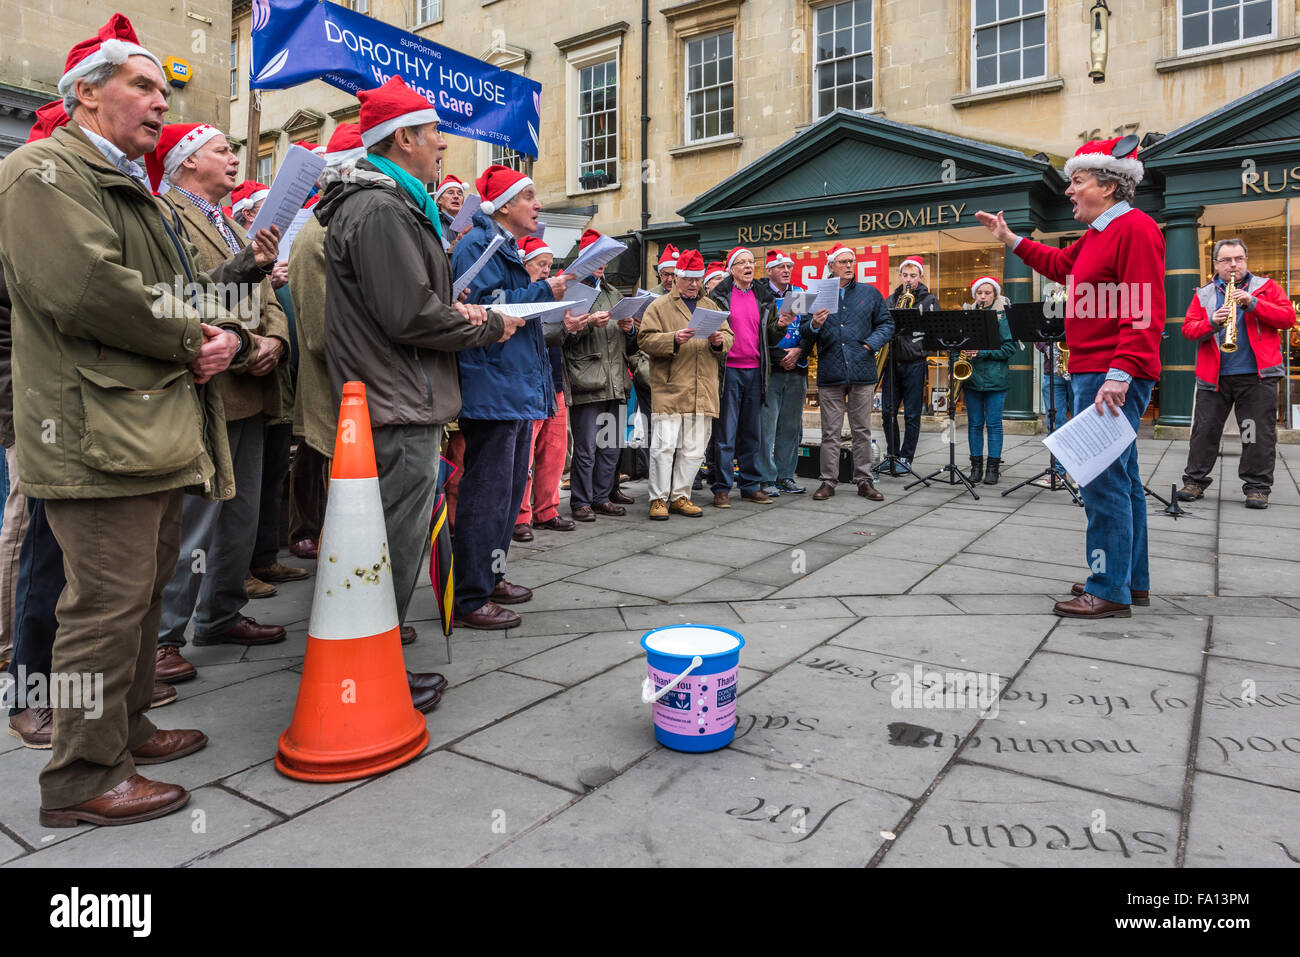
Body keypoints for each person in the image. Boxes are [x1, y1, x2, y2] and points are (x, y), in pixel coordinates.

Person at [0, 13, 249, 825]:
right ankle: (79, 777)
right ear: (83, 94)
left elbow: (166, 289)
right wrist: (194, 337)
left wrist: (224, 332)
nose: (159, 99)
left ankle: (127, 727)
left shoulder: (125, 183)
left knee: (138, 598)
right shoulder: (40, 170)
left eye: (162, 86)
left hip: (143, 425)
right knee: (99, 609)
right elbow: (87, 289)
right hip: (92, 431)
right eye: (140, 84)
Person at [317, 79, 522, 660]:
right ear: (404, 137)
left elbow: (404, 304)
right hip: (394, 399)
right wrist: (484, 326)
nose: (441, 146)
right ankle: (371, 673)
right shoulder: (383, 207)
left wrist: (449, 312)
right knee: (391, 546)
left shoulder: (392, 203)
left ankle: (371, 660)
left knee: (387, 542)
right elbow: (408, 314)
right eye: (434, 134)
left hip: (396, 395)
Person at [978, 135, 1165, 619]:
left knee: (1100, 481)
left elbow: (1144, 310)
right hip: (1096, 370)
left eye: (1077, 181)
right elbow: (1060, 265)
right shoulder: (1100, 233)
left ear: (1108, 184)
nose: (1068, 191)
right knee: (1122, 481)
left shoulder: (1135, 230)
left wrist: (1120, 373)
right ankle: (1128, 581)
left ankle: (1107, 589)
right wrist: (1011, 239)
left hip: (1108, 372)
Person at [151, 123, 292, 683]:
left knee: (242, 512)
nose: (234, 158)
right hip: (210, 386)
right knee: (194, 520)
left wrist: (275, 339)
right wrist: (247, 343)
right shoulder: (167, 214)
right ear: (187, 162)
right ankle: (163, 637)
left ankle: (221, 613)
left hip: (252, 387)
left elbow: (266, 293)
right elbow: (186, 296)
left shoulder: (233, 224)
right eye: (222, 151)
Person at [451, 163, 569, 629]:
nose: (538, 205)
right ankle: (470, 596)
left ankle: (492, 577)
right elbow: (478, 309)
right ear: (504, 206)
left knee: (506, 491)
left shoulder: (501, 246)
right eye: (529, 197)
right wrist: (543, 289)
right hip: (493, 387)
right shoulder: (477, 246)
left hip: (511, 386)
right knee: (488, 493)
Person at [1177, 238, 1296, 510]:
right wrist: (1211, 322)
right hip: (1214, 376)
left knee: (1255, 433)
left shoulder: (1265, 288)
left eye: (1239, 259)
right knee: (1204, 431)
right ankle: (1194, 481)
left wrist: (1253, 303)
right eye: (1227, 260)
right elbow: (1188, 330)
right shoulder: (1204, 294)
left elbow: (1287, 319)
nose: (1234, 265)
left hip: (1257, 376)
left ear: (1245, 260)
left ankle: (1256, 488)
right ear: (1216, 264)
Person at [638, 250, 733, 520]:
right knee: (663, 447)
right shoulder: (659, 306)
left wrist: (719, 342)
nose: (693, 284)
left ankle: (681, 495)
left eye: (697, 279)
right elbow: (644, 340)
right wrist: (673, 339)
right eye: (688, 278)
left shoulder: (710, 306)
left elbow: (728, 335)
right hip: (670, 386)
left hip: (703, 387)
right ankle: (658, 498)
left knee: (694, 448)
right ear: (677, 277)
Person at [802, 243, 891, 502]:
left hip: (862, 369)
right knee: (830, 431)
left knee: (861, 429)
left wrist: (870, 344)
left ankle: (864, 480)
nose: (849, 265)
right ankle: (828, 481)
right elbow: (806, 334)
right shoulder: (817, 294)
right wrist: (815, 324)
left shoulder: (869, 293)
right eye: (843, 262)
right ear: (831, 266)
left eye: (852, 261)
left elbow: (886, 324)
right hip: (831, 370)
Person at [565, 228, 639, 521]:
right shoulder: (572, 292)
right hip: (587, 378)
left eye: (605, 258)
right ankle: (581, 501)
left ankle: (601, 496)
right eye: (596, 258)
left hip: (615, 380)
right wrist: (586, 325)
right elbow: (561, 336)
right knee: (586, 449)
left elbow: (631, 343)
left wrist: (629, 328)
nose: (601, 264)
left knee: (610, 446)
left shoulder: (613, 293)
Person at [707, 246, 787, 507]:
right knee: (725, 433)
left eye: (751, 261)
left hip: (755, 370)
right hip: (728, 370)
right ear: (731, 269)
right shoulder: (719, 296)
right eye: (741, 262)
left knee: (752, 431)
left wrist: (781, 326)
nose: (748, 266)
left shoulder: (763, 296)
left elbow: (771, 336)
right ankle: (721, 487)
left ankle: (751, 485)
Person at [513, 236, 580, 540]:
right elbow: (533, 333)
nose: (546, 271)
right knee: (524, 458)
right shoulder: (519, 296)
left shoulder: (553, 295)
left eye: (550, 266)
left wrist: (574, 325)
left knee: (554, 454)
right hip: (529, 387)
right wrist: (564, 327)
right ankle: (519, 517)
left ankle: (547, 510)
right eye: (540, 264)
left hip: (554, 383)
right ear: (524, 265)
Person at [759, 250, 810, 496]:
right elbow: (758, 334)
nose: (786, 270)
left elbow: (807, 329)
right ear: (769, 270)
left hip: (797, 368)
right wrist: (782, 356)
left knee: (790, 427)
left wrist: (800, 349)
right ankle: (765, 478)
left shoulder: (798, 294)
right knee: (767, 429)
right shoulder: (761, 295)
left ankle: (785, 475)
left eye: (789, 266)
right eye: (780, 266)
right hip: (771, 369)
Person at [960, 277, 1020, 485]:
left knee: (994, 424)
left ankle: (993, 469)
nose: (983, 296)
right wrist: (953, 367)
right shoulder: (968, 316)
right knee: (974, 425)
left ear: (995, 295)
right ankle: (976, 467)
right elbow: (957, 345)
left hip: (996, 379)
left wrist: (981, 352)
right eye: (980, 293)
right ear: (975, 295)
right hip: (972, 378)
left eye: (987, 293)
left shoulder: (1002, 318)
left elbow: (1009, 348)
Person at [881, 256, 938, 477]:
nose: (908, 280)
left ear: (920, 277)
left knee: (912, 415)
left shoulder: (929, 300)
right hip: (892, 361)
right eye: (905, 275)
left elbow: (933, 333)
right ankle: (892, 454)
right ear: (900, 276)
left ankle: (907, 457)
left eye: (913, 276)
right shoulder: (890, 299)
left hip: (914, 362)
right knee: (887, 412)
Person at [1032, 280, 1074, 489]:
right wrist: (1048, 348)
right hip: (1053, 368)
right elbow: (1038, 333)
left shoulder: (1089, 298)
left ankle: (1080, 473)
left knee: (1080, 422)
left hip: (1079, 370)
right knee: (1054, 423)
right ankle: (1058, 471)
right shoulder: (1051, 299)